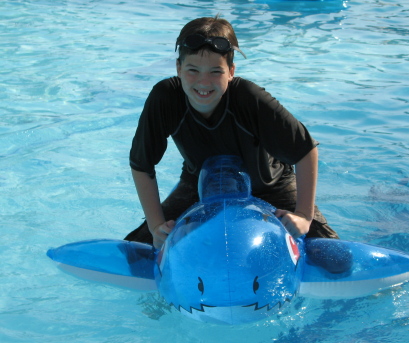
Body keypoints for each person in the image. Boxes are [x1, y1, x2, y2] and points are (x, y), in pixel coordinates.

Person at [125, 15, 339, 249]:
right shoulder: (165, 98)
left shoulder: (249, 98)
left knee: (337, 260)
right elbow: (141, 164)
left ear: (231, 71)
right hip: (198, 185)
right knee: (137, 251)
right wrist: (156, 226)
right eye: (193, 70)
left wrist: (304, 216)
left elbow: (305, 149)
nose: (203, 82)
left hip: (270, 187)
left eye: (215, 71)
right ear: (178, 68)